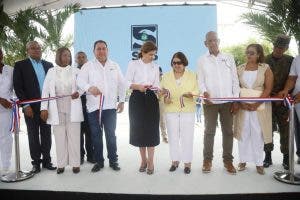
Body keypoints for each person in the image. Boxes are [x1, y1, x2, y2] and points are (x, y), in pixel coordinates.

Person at [77, 40, 126, 172]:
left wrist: (121, 101)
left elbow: (122, 83)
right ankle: (99, 161)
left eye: (104, 48)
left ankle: (113, 160)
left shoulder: (114, 65)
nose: (101, 51)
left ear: (107, 50)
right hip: (94, 108)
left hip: (110, 107)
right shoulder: (88, 66)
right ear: (94, 51)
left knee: (111, 135)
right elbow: (80, 81)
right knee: (96, 135)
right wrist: (89, 87)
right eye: (98, 49)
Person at [197, 31, 239, 174]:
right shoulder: (202, 60)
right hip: (210, 103)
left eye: (215, 40)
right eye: (210, 41)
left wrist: (235, 100)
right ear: (205, 43)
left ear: (219, 41)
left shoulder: (229, 57)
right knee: (209, 132)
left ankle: (228, 161)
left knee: (228, 132)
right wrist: (204, 93)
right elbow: (200, 81)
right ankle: (207, 161)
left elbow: (235, 79)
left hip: (228, 102)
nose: (213, 43)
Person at [13, 41, 56, 173]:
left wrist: (49, 106)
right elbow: (18, 87)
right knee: (33, 135)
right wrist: (25, 105)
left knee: (46, 134)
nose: (36, 50)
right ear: (27, 50)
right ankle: (36, 163)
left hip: (46, 106)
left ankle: (47, 161)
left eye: (38, 48)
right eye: (33, 48)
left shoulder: (49, 65)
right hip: (30, 107)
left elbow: (53, 86)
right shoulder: (20, 65)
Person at [40, 47, 83, 174]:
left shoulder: (76, 71)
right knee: (59, 137)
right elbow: (45, 91)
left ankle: (76, 164)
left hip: (73, 106)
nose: (67, 58)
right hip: (56, 108)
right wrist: (44, 108)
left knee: (74, 136)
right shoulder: (51, 71)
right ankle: (61, 164)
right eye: (64, 55)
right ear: (59, 56)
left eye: (69, 56)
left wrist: (79, 93)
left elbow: (83, 86)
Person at [233, 44, 273, 175]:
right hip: (243, 106)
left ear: (259, 54)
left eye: (251, 53)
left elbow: (268, 88)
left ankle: (259, 163)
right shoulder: (239, 69)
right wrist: (241, 103)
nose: (248, 55)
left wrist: (256, 104)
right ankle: (243, 160)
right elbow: (234, 87)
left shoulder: (265, 68)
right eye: (247, 52)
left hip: (259, 106)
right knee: (243, 132)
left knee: (257, 133)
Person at [125, 41, 160, 175]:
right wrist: (138, 86)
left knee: (151, 130)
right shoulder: (132, 64)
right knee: (139, 129)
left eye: (154, 55)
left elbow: (157, 84)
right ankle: (143, 160)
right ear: (143, 52)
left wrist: (160, 90)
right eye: (151, 54)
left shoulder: (155, 67)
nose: (153, 57)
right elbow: (126, 82)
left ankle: (151, 161)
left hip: (151, 98)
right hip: (137, 98)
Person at [161, 52, 199, 174]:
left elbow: (197, 90)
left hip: (187, 110)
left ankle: (187, 163)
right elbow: (161, 92)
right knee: (173, 137)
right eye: (174, 63)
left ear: (184, 63)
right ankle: (174, 161)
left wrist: (191, 94)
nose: (177, 65)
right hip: (171, 110)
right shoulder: (165, 76)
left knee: (187, 137)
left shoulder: (193, 75)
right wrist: (164, 99)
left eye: (179, 62)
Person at [263, 34, 294, 170]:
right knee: (267, 129)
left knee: (285, 130)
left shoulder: (291, 61)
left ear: (286, 48)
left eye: (282, 47)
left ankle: (286, 158)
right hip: (268, 101)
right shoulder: (264, 60)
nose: (278, 49)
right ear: (273, 46)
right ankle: (267, 156)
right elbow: (260, 81)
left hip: (284, 102)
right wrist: (269, 95)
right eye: (277, 47)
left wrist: (285, 94)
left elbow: (293, 79)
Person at [278, 54, 300, 165]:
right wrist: (286, 90)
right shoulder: (297, 58)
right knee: (297, 129)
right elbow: (292, 77)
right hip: (296, 100)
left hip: (298, 97)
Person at [75, 51, 95, 165]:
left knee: (90, 132)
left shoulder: (91, 71)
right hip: (78, 105)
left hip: (90, 105)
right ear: (76, 59)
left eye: (83, 57)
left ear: (87, 58)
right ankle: (80, 156)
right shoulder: (74, 72)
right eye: (79, 57)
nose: (81, 59)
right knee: (79, 133)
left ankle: (91, 156)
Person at [0, 49, 13, 175]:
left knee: (6, 138)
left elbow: (16, 88)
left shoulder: (10, 69)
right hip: (1, 104)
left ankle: (6, 165)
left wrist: (14, 101)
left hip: (7, 109)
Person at [159, 67, 168, 143]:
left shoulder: (164, 80)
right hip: (152, 102)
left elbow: (167, 91)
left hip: (161, 102)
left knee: (162, 120)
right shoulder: (152, 79)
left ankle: (164, 137)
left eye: (159, 72)